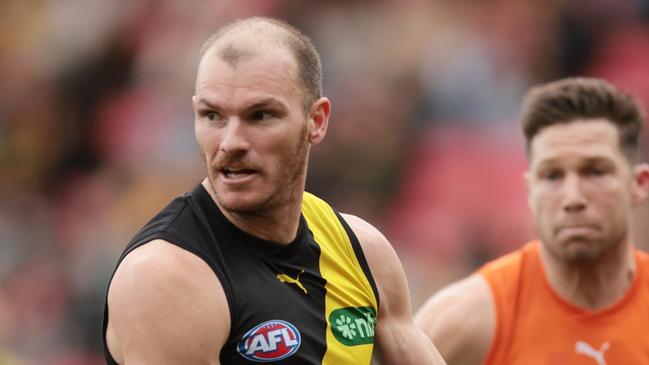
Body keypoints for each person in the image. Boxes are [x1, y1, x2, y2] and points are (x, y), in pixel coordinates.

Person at [102, 17, 446, 365]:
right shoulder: (165, 277)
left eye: (261, 116)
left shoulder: (362, 252)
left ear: (317, 121)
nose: (230, 142)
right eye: (212, 116)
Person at [415, 77, 649, 364]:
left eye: (595, 172)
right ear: (530, 189)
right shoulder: (469, 319)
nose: (572, 197)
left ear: (638, 184)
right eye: (552, 176)